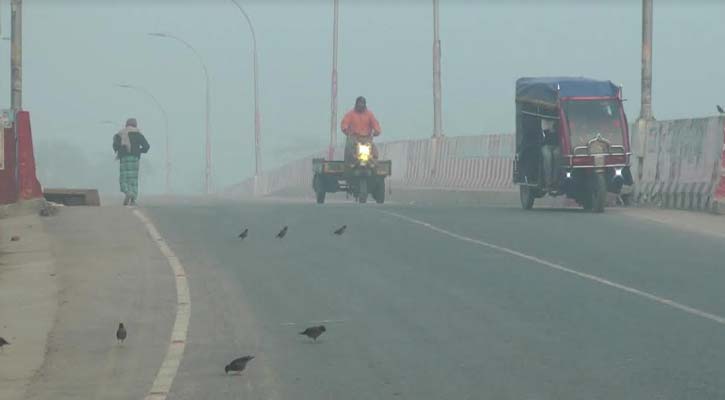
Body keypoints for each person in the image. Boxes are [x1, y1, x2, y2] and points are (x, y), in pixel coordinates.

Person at [113, 118, 150, 206]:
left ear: (126, 125)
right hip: (135, 158)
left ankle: (127, 192)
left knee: (124, 178)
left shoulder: (120, 134)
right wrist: (139, 150)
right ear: (135, 125)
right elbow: (146, 146)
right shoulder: (138, 134)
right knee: (133, 179)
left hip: (124, 158)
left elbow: (115, 145)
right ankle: (133, 199)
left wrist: (121, 149)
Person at [340, 96, 381, 163]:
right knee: (349, 149)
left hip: (366, 139)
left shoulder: (369, 114)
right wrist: (346, 130)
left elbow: (375, 124)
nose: (361, 105)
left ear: (365, 105)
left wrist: (377, 131)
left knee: (374, 151)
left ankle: (373, 165)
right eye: (359, 103)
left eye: (362, 104)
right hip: (354, 138)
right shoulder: (350, 114)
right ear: (356, 104)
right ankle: (349, 163)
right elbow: (344, 123)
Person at [540, 119, 560, 187]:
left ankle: (555, 181)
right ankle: (548, 182)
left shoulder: (558, 117)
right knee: (548, 158)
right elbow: (546, 133)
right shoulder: (544, 120)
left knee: (557, 156)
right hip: (546, 145)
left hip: (557, 146)